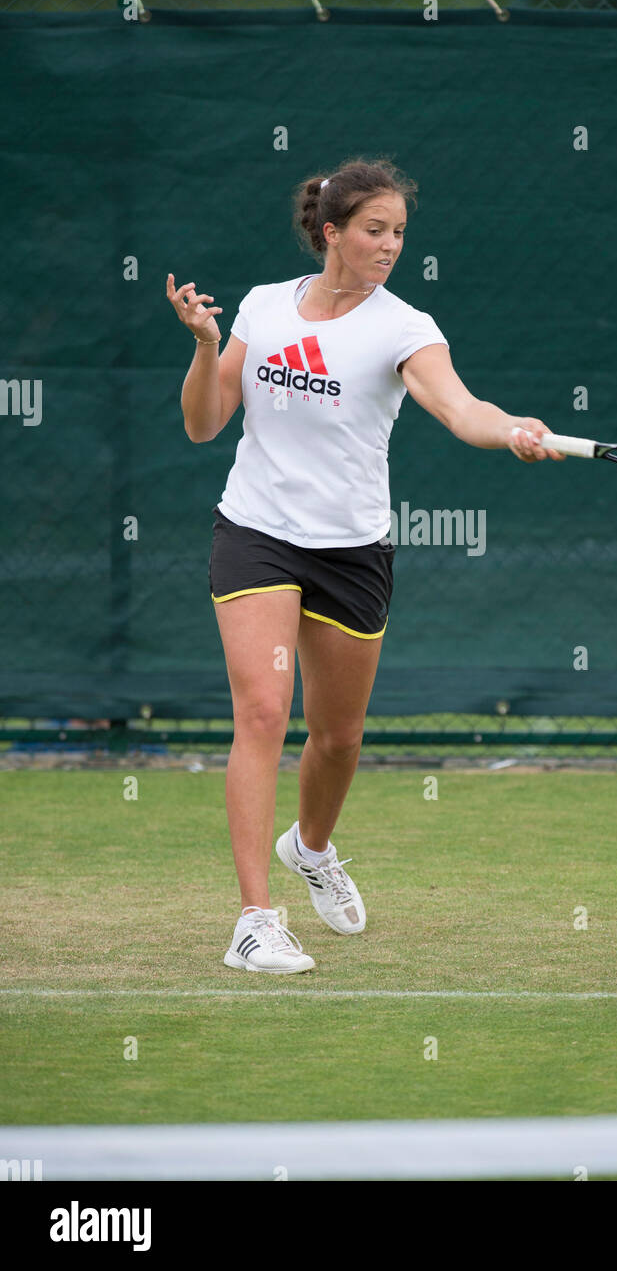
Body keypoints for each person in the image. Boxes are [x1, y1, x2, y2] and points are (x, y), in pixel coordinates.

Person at [168, 157, 561, 975]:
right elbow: (205, 425)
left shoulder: (404, 327)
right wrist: (208, 348)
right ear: (331, 232)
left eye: (399, 234)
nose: (389, 247)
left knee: (338, 738)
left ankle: (309, 847)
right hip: (257, 532)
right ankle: (254, 920)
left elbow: (461, 410)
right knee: (264, 711)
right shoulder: (263, 307)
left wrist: (510, 426)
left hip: (351, 547)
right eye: (374, 231)